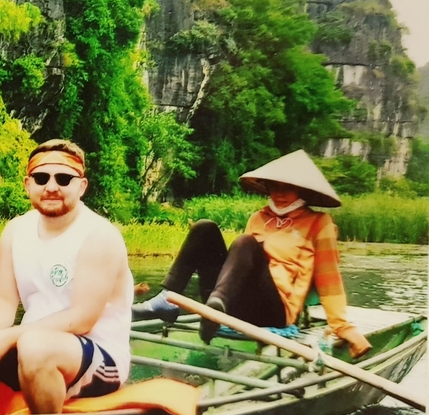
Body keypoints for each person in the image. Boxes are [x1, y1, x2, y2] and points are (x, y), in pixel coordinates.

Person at [0, 140, 133, 415]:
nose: (52, 187)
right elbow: (5, 300)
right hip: (29, 346)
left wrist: (8, 337)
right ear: (27, 184)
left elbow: (82, 320)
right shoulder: (16, 229)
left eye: (64, 179)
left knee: (35, 345)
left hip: (96, 358)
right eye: (42, 178)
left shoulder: (98, 236)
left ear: (81, 186)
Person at [133, 149, 372, 357]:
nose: (279, 192)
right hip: (233, 302)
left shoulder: (319, 223)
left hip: (274, 310)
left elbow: (329, 279)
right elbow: (239, 266)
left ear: (302, 191)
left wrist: (341, 326)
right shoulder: (258, 218)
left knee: (245, 242)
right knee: (204, 228)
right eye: (274, 186)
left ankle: (215, 308)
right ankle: (167, 300)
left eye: (287, 187)